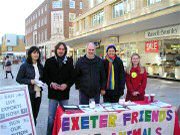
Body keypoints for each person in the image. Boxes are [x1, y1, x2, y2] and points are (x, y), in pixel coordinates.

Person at [43, 42, 74, 135]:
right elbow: (45, 76)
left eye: (63, 49)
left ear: (65, 51)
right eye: (59, 49)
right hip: (53, 93)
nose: (61, 51)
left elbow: (72, 77)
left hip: (64, 94)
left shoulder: (69, 61)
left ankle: (63, 133)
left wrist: (67, 85)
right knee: (51, 118)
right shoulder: (49, 61)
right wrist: (51, 83)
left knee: (65, 116)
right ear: (56, 50)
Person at [16, 46, 44, 125]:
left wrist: (41, 82)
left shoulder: (40, 66)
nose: (36, 54)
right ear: (30, 54)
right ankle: (31, 129)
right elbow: (18, 79)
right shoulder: (24, 66)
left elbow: (44, 77)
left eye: (37, 53)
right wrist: (30, 81)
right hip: (29, 93)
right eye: (34, 53)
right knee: (30, 115)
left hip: (38, 92)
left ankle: (33, 129)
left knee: (35, 114)